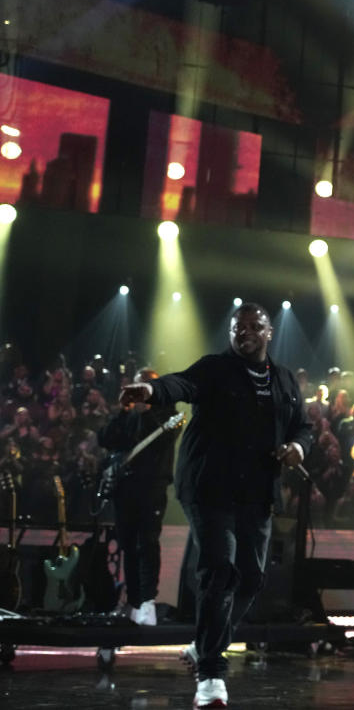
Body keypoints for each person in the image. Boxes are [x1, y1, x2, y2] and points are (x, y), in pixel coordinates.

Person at [119, 302, 312, 710]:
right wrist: (152, 391)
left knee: (252, 578)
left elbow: (303, 427)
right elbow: (181, 385)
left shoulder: (284, 380)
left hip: (257, 492)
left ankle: (202, 645)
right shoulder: (215, 368)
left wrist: (297, 447)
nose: (243, 333)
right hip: (210, 488)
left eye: (252, 327)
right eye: (236, 327)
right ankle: (210, 673)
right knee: (220, 568)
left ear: (269, 333)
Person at [98, 367, 179, 626]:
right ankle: (133, 600)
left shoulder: (168, 414)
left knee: (147, 542)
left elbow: (160, 441)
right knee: (128, 545)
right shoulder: (128, 414)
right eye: (136, 386)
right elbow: (107, 439)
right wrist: (122, 410)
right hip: (125, 489)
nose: (140, 392)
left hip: (151, 487)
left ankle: (147, 600)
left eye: (145, 386)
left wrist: (147, 413)